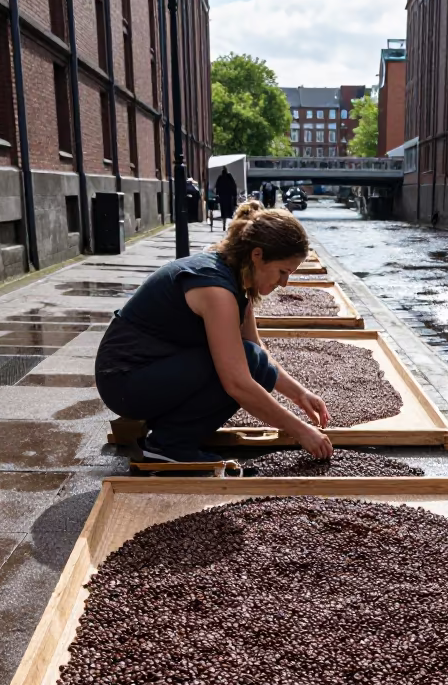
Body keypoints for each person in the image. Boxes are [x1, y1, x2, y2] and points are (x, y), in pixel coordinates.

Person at [95, 201, 333, 464]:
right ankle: (168, 444)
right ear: (257, 255)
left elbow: (257, 349)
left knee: (258, 365)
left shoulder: (235, 277)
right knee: (247, 365)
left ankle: (174, 430)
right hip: (124, 381)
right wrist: (301, 431)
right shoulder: (215, 289)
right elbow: (237, 383)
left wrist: (300, 395)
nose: (284, 283)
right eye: (282, 272)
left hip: (152, 370)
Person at [215, 167, 238, 231]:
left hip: (222, 197)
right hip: (229, 197)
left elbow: (217, 187)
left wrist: (217, 194)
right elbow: (234, 186)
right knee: (230, 212)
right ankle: (231, 225)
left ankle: (224, 225)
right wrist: (235, 196)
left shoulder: (220, 178)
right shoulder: (230, 178)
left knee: (223, 213)